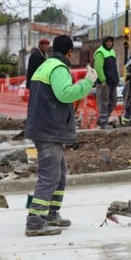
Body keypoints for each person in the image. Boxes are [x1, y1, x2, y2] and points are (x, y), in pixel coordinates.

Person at [24, 35, 97, 237]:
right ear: (70, 52)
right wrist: (87, 83)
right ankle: (35, 221)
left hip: (44, 127)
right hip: (48, 129)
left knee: (60, 173)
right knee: (50, 176)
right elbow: (65, 94)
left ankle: (50, 213)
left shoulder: (46, 65)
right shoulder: (58, 68)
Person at [93, 35, 120, 129]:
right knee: (104, 102)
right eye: (107, 41)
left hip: (112, 82)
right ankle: (103, 122)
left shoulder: (112, 52)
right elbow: (98, 67)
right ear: (104, 42)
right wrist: (103, 80)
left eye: (111, 42)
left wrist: (117, 79)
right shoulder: (100, 52)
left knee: (113, 101)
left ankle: (102, 119)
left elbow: (114, 67)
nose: (109, 43)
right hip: (104, 82)